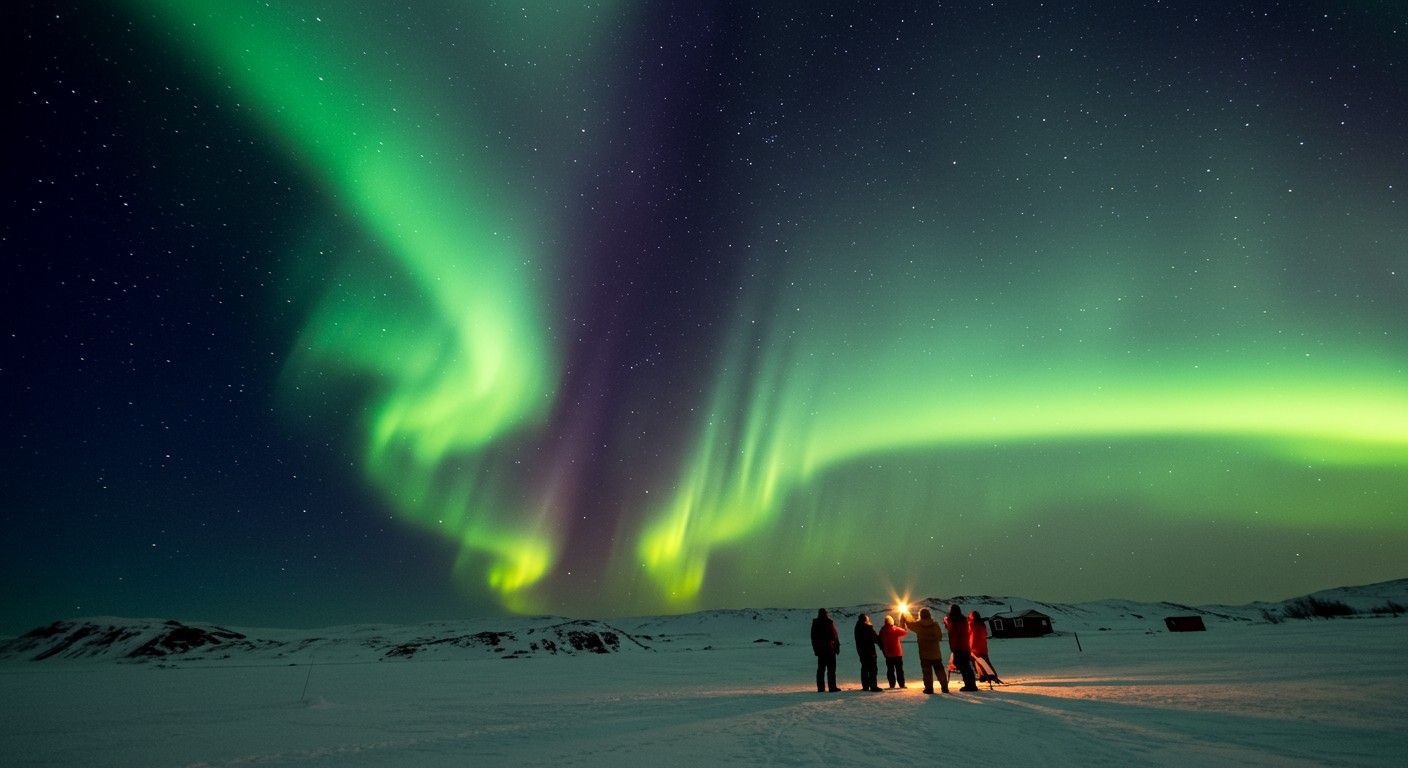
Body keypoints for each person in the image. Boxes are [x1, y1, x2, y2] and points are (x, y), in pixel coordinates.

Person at [901, 607, 948, 694]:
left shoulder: (918, 625)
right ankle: (945, 687)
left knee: (927, 672)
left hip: (924, 653)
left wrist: (905, 616)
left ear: (921, 615)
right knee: (940, 670)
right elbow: (940, 637)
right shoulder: (935, 625)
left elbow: (910, 625)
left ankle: (929, 689)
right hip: (936, 653)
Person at [944, 604, 979, 692]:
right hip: (965, 646)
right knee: (965, 666)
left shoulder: (953, 621)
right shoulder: (963, 620)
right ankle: (970, 684)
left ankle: (970, 685)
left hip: (958, 647)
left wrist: (947, 621)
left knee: (962, 666)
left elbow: (952, 631)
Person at [811, 608, 841, 692]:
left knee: (821, 669)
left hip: (821, 650)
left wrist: (816, 650)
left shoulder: (816, 623)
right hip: (829, 649)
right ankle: (832, 687)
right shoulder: (829, 622)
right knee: (831, 669)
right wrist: (837, 647)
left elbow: (813, 638)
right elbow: (834, 636)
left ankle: (821, 688)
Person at [969, 610, 1002, 685]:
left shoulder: (971, 624)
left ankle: (988, 676)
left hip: (974, 648)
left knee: (978, 662)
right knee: (985, 663)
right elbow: (985, 634)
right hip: (983, 647)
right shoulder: (982, 624)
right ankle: (987, 676)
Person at [853, 614, 883, 691]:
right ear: (865, 619)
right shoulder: (868, 628)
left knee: (864, 668)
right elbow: (875, 638)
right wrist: (881, 644)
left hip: (861, 651)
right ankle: (873, 686)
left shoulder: (857, 627)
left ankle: (865, 686)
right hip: (870, 651)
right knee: (873, 669)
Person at [877, 615, 908, 689]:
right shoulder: (895, 629)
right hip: (897, 654)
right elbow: (904, 632)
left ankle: (892, 685)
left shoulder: (882, 630)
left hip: (888, 654)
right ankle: (901, 684)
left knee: (890, 670)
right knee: (899, 670)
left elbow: (879, 640)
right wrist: (904, 626)